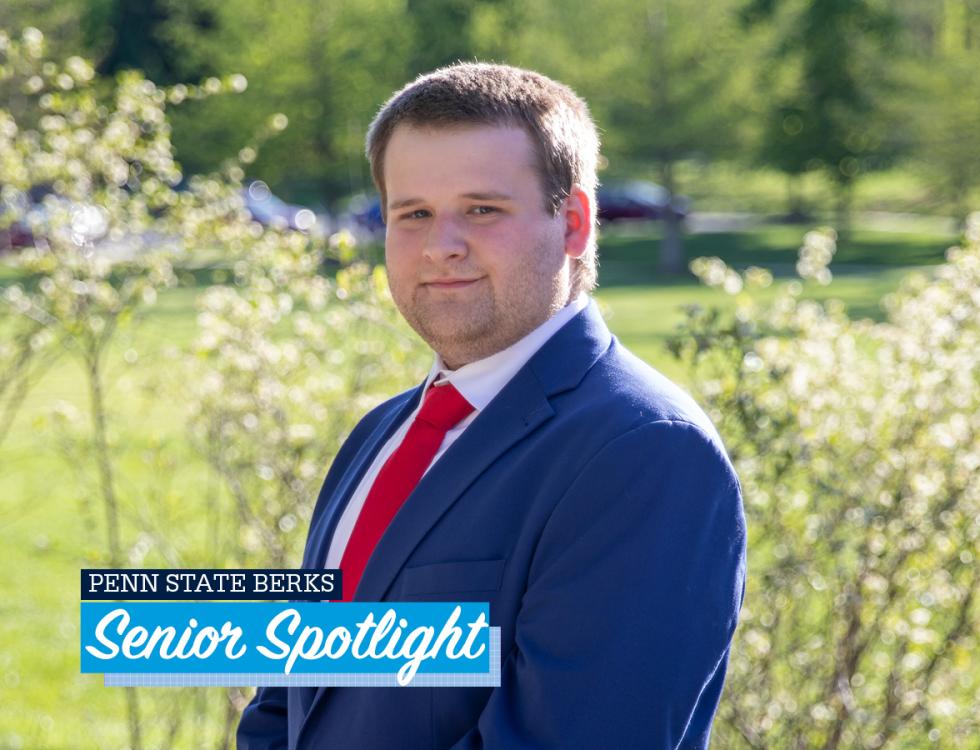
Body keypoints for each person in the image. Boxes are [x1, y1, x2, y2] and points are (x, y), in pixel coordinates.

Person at [237, 62, 746, 750]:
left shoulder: (645, 450)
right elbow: (292, 699)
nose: (441, 246)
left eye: (482, 210)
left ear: (573, 224)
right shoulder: (380, 433)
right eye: (413, 214)